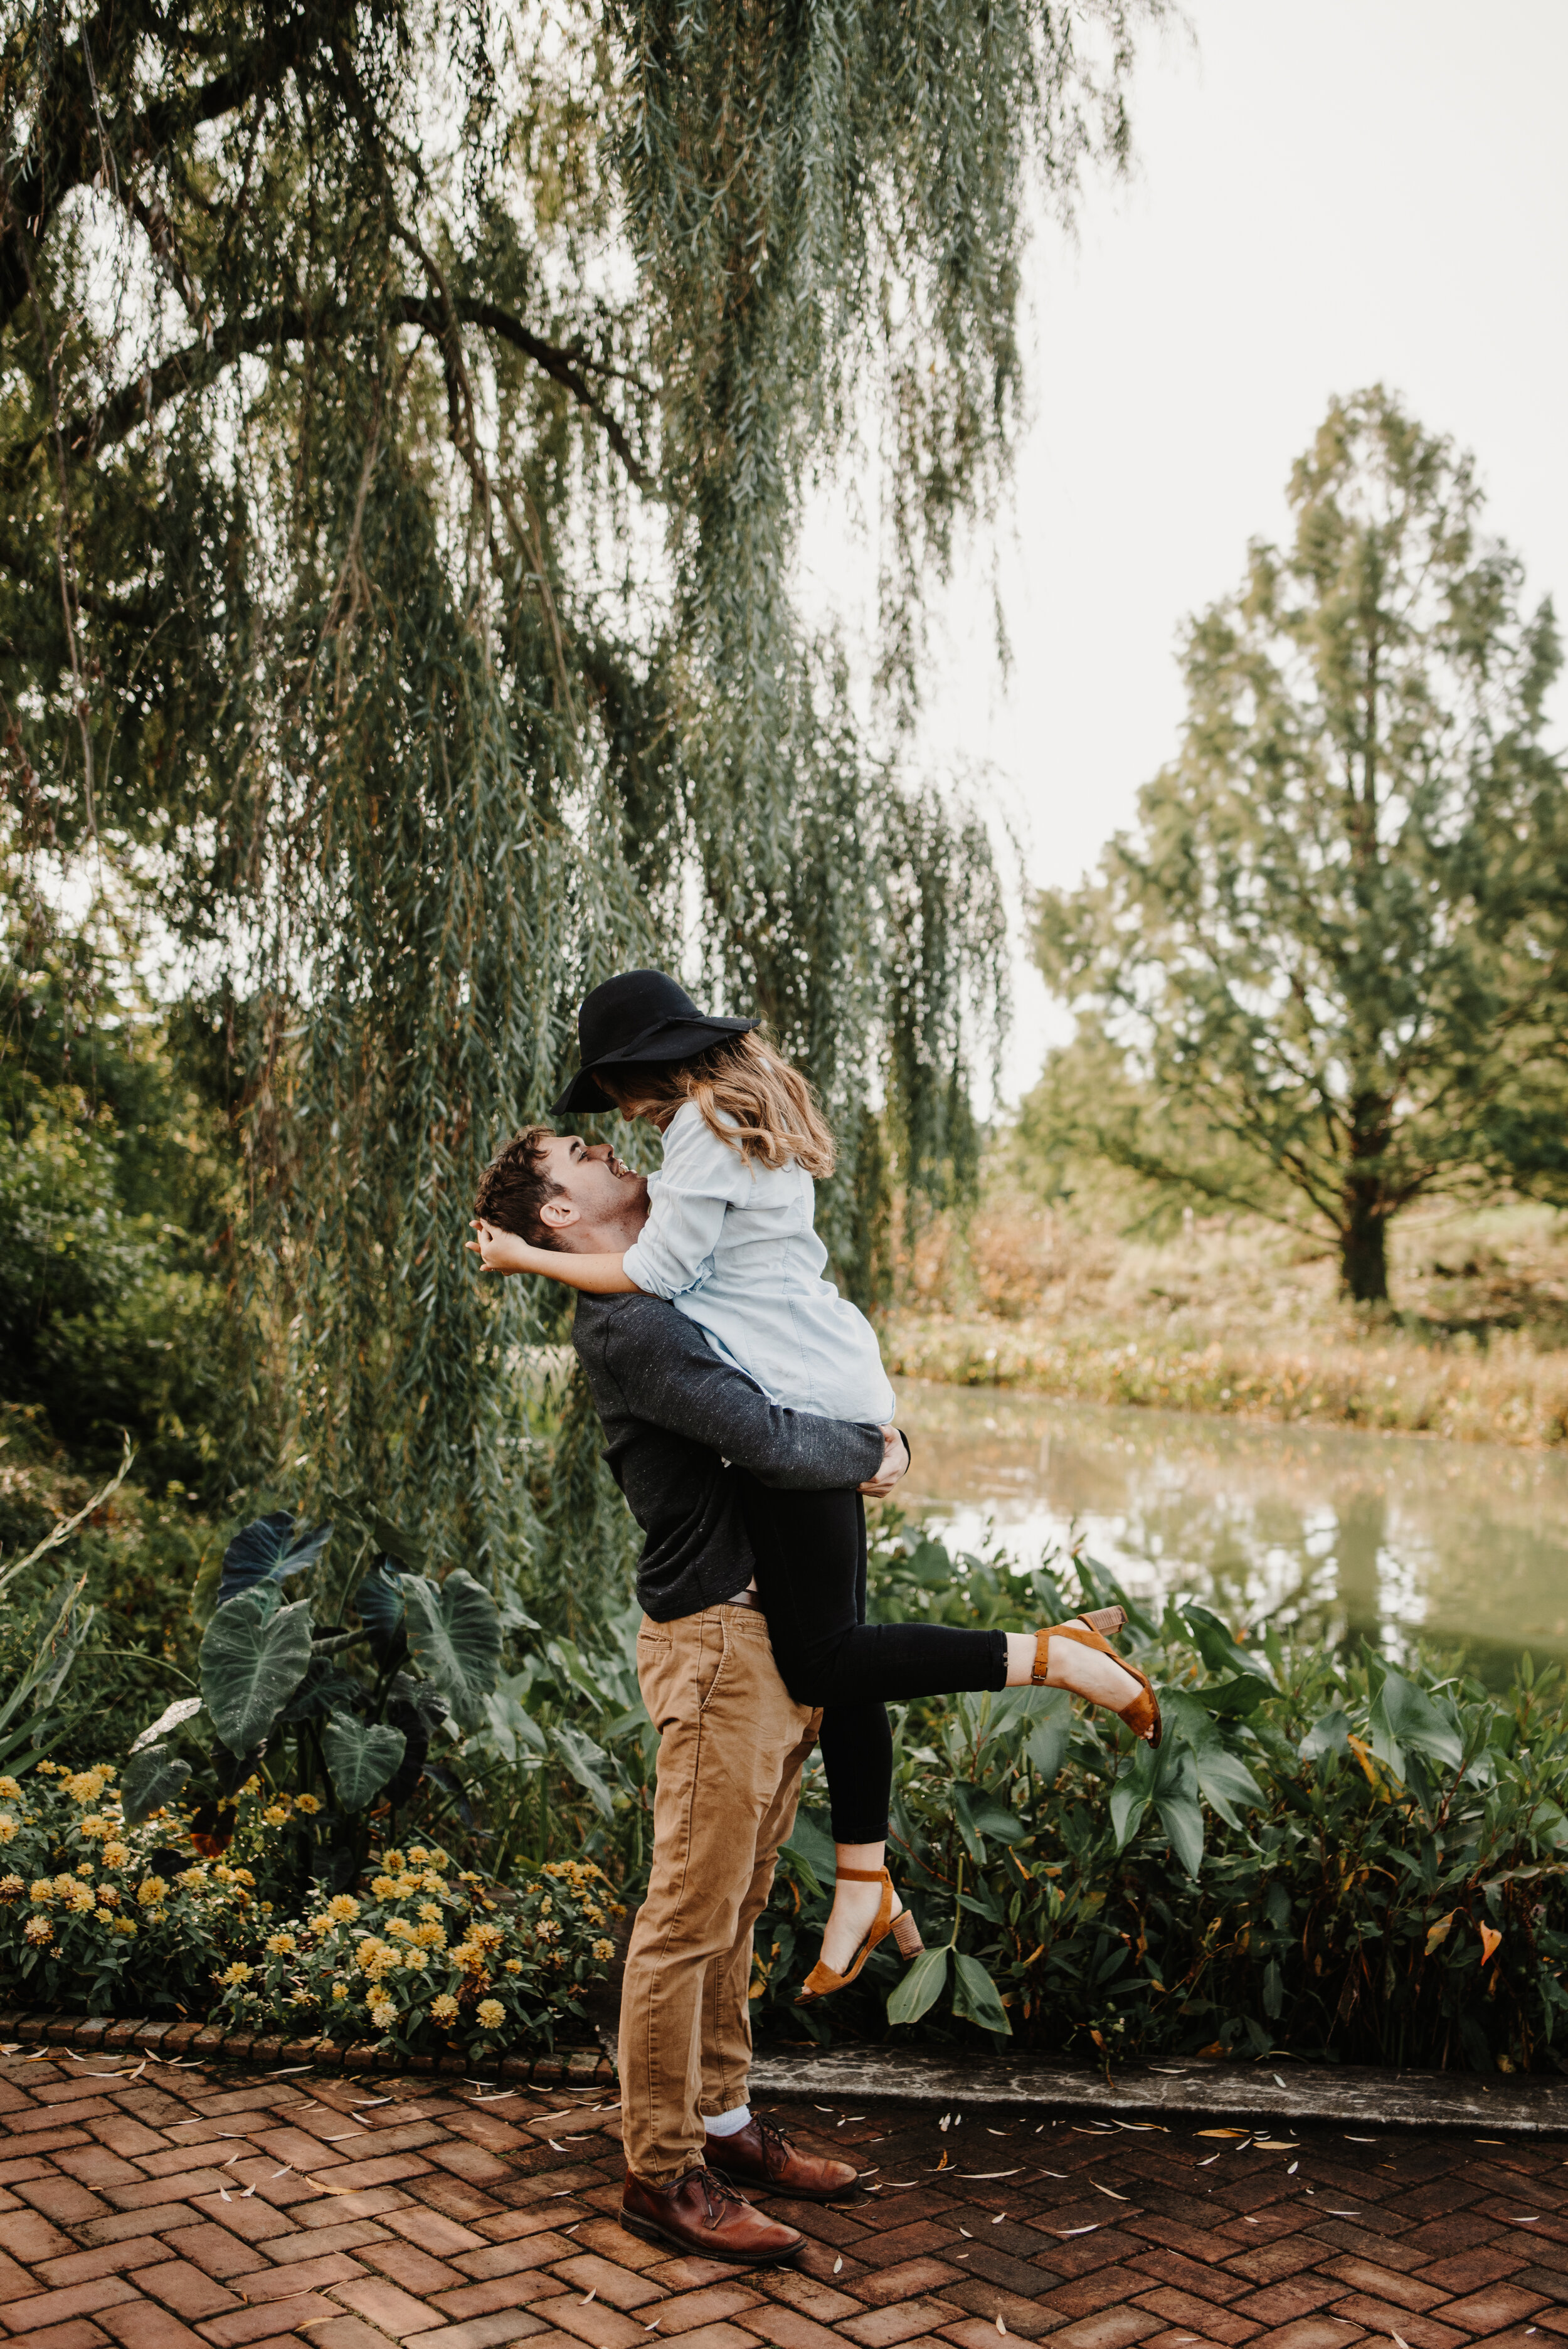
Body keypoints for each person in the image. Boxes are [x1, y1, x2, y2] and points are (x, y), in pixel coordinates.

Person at [472, 973, 1160, 1999]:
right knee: (845, 1657)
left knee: (829, 1652)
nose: (615, 1124)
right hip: (828, 1377)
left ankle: (1049, 1654)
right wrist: (880, 1444)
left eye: (609, 1101)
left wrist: (529, 1256)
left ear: (638, 1069)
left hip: (803, 1399)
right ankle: (863, 1875)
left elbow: (660, 1282)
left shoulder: (696, 1141)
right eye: (590, 1139)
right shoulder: (731, 1125)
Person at [470, 1120, 903, 2264]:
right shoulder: (630, 1324)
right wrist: (875, 1449)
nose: (615, 1151)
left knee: (740, 1901)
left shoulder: (662, 1280)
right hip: (716, 1641)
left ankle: (725, 2121)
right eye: (583, 1154)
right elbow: (759, 1435)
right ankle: (662, 2173)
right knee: (686, 1916)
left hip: (765, 1632)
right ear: (558, 1212)